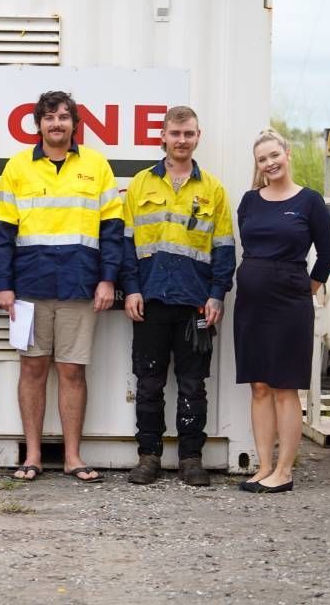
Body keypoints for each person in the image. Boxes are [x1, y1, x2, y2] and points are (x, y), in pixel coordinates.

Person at [0, 90, 123, 483]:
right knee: (32, 369)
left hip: (80, 286)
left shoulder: (97, 166)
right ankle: (32, 456)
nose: (57, 124)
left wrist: (108, 278)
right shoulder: (18, 168)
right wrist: (3, 285)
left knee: (72, 372)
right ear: (38, 124)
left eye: (64, 117)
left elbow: (112, 231)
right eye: (49, 117)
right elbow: (0, 232)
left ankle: (72, 457)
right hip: (29, 287)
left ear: (74, 124)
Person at [120, 105, 236, 486]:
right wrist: (132, 289)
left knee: (192, 384)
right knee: (149, 383)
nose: (182, 140)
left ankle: (191, 458)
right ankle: (148, 456)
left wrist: (217, 293)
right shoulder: (140, 184)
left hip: (195, 304)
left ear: (198, 137)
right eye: (175, 134)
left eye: (188, 134)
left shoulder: (213, 189)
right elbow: (126, 244)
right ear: (163, 138)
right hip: (150, 300)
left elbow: (223, 248)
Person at [235, 129, 330, 494]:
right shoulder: (249, 201)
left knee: (284, 386)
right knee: (259, 385)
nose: (270, 163)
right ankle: (264, 466)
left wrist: (301, 289)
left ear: (287, 153)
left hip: (290, 304)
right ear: (258, 165)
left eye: (274, 155)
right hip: (251, 304)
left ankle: (285, 470)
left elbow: (327, 255)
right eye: (262, 159)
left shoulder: (309, 201)